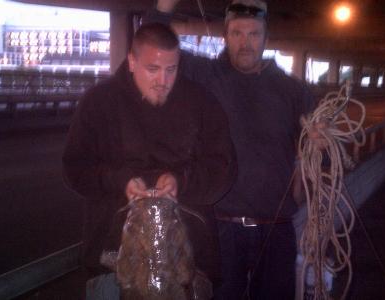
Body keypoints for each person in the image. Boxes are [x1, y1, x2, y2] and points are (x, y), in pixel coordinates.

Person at [145, 0, 316, 299]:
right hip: (221, 231)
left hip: (276, 229)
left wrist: (316, 149)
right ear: (225, 36)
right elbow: (152, 44)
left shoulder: (294, 90)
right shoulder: (207, 75)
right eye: (237, 33)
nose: (245, 42)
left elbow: (318, 154)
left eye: (253, 34)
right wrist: (163, 7)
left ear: (265, 37)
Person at [62, 22, 236, 299]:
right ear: (131, 61)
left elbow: (224, 168)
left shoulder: (202, 102)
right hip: (113, 261)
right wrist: (120, 181)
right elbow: (74, 168)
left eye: (171, 69)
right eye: (152, 69)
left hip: (188, 265)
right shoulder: (98, 102)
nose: (163, 80)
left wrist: (182, 181)